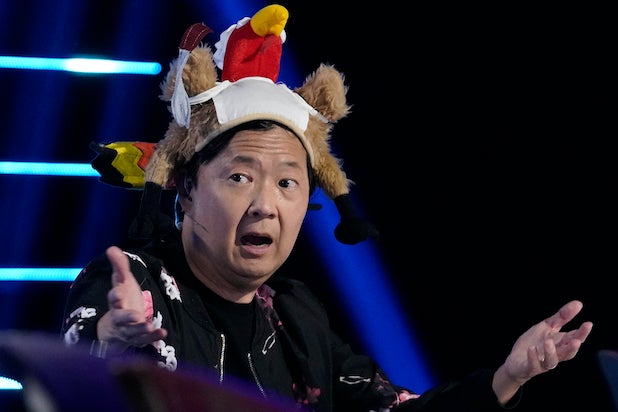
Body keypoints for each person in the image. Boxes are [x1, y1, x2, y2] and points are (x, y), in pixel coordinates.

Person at [61, 5, 593, 411]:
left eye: (288, 183)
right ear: (186, 189)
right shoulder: (132, 284)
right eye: (240, 177)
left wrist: (505, 378)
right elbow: (78, 368)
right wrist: (112, 341)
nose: (266, 205)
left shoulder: (296, 316)